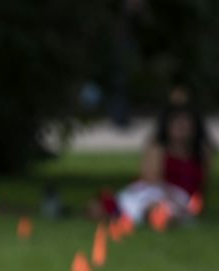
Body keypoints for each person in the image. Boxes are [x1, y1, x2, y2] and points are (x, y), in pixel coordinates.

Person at [89, 89, 212, 225]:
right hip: (158, 192)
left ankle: (158, 217)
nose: (182, 128)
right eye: (177, 124)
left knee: (162, 209)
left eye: (186, 124)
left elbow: (201, 187)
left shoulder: (201, 153)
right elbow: (151, 179)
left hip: (181, 198)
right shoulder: (158, 147)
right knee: (102, 207)